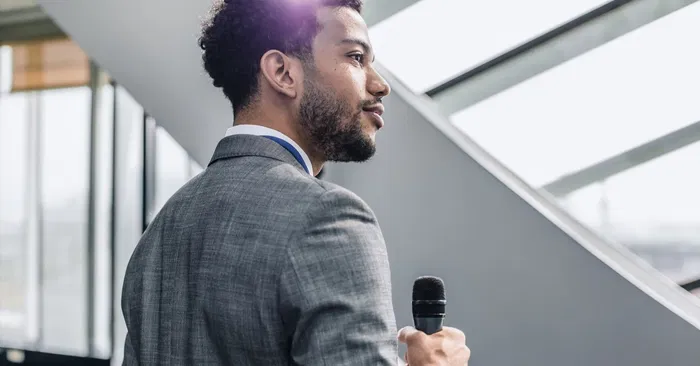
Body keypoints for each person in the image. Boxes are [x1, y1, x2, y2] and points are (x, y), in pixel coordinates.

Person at [120, 0, 470, 365]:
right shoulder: (327, 217)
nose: (380, 85)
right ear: (282, 72)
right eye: (355, 57)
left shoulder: (161, 231)